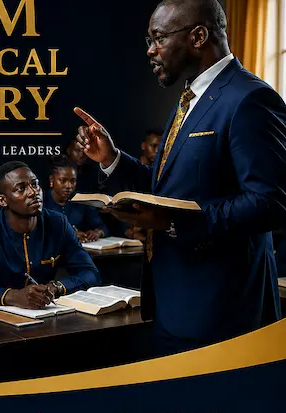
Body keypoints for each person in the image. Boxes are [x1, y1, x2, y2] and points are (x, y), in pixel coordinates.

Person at [73, 0, 286, 352]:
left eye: (157, 38)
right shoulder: (189, 97)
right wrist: (110, 159)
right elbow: (168, 191)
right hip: (173, 304)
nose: (151, 51)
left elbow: (271, 202)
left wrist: (175, 223)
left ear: (198, 36)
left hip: (223, 312)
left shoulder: (251, 99)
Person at [0, 161, 100, 307]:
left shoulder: (58, 223)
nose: (33, 192)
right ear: (3, 200)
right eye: (21, 189)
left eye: (34, 184)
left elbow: (91, 273)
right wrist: (13, 296)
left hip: (45, 312)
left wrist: (55, 287)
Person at [44, 158, 110, 243]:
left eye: (72, 181)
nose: (69, 186)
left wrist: (98, 232)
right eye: (63, 181)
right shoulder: (42, 201)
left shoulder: (80, 200)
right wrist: (69, 235)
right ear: (52, 180)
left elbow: (103, 227)